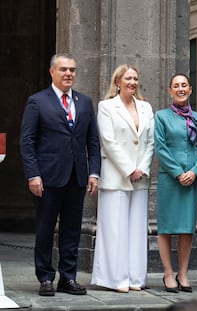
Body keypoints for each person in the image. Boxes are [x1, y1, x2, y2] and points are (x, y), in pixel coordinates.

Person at [20, 53, 101, 296]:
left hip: (77, 177)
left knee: (72, 230)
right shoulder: (37, 101)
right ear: (52, 71)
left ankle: (68, 277)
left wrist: (94, 172)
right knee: (45, 229)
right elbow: (27, 141)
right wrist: (33, 175)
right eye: (64, 69)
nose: (69, 74)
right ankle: (45, 278)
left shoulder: (84, 102)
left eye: (72, 70)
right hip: (47, 178)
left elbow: (92, 141)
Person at [91, 65, 154, 293]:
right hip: (116, 176)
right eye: (128, 78)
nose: (133, 82)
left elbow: (150, 142)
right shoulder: (106, 107)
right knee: (114, 230)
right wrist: (129, 169)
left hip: (140, 178)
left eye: (136, 78)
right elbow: (108, 141)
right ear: (118, 81)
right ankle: (115, 279)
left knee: (137, 230)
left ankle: (136, 278)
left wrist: (142, 168)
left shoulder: (146, 107)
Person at [154, 73, 197, 293]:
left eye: (184, 85)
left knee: (187, 228)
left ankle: (183, 273)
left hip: (192, 181)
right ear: (170, 91)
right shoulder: (161, 117)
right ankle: (168, 273)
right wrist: (178, 173)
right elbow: (160, 147)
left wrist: (195, 172)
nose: (180, 89)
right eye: (176, 86)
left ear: (191, 89)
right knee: (166, 228)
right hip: (170, 179)